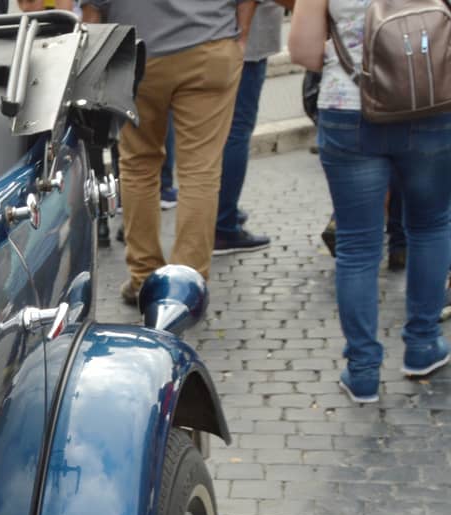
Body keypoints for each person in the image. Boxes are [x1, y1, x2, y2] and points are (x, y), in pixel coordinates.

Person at [290, 0, 451, 402]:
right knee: (430, 225)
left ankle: (362, 371)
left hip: (350, 108)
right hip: (431, 104)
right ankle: (422, 345)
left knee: (359, 246)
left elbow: (304, 52)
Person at [83, 1, 255, 306]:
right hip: (209, 43)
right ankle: (186, 284)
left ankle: (144, 277)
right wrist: (240, 38)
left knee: (138, 165)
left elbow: (93, 10)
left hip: (136, 53)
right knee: (200, 170)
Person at [213, 0, 292, 254]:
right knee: (236, 130)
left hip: (216, 36)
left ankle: (221, 213)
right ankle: (222, 225)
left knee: (221, 131)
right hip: (242, 41)